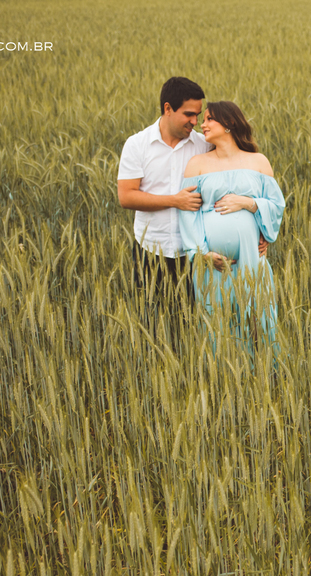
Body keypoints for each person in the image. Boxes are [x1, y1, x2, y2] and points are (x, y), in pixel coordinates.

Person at [116, 77, 267, 301]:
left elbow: (240, 178)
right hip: (150, 249)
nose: (195, 121)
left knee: (193, 324)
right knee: (151, 322)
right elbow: (126, 197)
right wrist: (174, 200)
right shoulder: (137, 145)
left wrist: (258, 227)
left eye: (198, 114)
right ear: (168, 108)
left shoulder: (204, 144)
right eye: (189, 114)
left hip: (197, 254)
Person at [179, 101, 284, 364]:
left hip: (252, 259)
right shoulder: (197, 164)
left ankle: (263, 378)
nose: (202, 125)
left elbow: (276, 205)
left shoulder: (257, 161)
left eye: (209, 119)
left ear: (230, 124)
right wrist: (201, 253)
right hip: (213, 265)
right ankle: (224, 382)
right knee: (218, 325)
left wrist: (248, 203)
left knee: (257, 320)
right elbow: (188, 214)